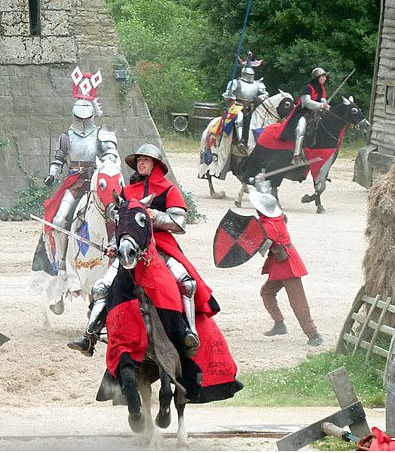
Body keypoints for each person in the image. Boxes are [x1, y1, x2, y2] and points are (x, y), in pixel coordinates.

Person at [68, 144, 205, 358]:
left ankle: (189, 333)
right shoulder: (128, 192)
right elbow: (120, 222)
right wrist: (115, 244)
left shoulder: (169, 189)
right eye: (138, 160)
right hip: (129, 246)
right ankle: (90, 337)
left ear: (155, 165)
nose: (141, 163)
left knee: (187, 284)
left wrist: (154, 216)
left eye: (146, 160)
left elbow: (180, 223)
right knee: (101, 287)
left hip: (160, 247)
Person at [35, 68, 118, 313]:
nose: (82, 121)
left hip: (97, 184)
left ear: (92, 113)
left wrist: (106, 163)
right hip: (74, 183)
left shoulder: (103, 134)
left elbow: (112, 156)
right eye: (78, 117)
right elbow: (59, 159)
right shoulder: (66, 136)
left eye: (85, 117)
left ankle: (117, 256)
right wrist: (52, 173)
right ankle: (62, 263)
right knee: (59, 219)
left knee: (117, 218)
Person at [249, 177, 323, 346]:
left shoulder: (269, 225)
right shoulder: (277, 216)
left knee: (297, 301)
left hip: (287, 263)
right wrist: (261, 184)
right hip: (278, 262)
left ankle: (313, 334)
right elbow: (268, 200)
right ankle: (279, 323)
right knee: (267, 292)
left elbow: (261, 247)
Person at [280, 67, 329, 164]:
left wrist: (326, 106)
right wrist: (320, 105)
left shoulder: (321, 88)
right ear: (318, 77)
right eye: (323, 76)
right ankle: (296, 155)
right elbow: (306, 102)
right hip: (303, 112)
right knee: (300, 129)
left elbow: (323, 100)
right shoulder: (308, 87)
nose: (325, 79)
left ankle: (312, 152)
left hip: (315, 114)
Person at [222, 54, 268, 148]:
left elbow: (265, 94)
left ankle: (260, 141)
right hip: (237, 107)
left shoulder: (258, 84)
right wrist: (230, 97)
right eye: (248, 74)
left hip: (252, 107)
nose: (249, 76)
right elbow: (227, 94)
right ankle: (240, 141)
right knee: (239, 118)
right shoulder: (236, 82)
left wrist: (261, 97)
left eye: (251, 75)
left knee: (261, 119)